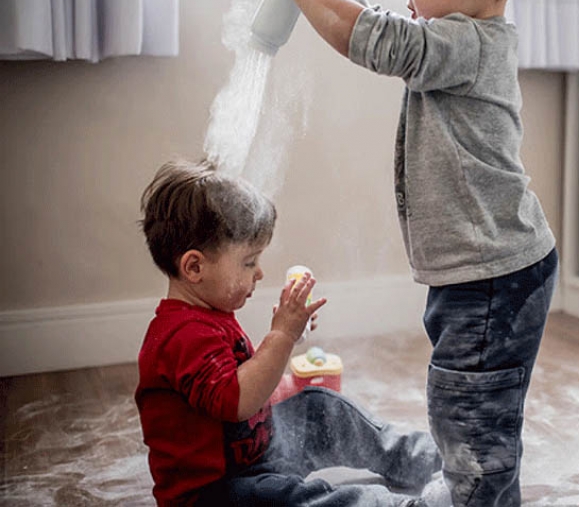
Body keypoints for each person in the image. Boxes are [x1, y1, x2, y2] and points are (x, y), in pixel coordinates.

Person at [272, 0, 558, 505]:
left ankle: (476, 497)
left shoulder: (468, 43)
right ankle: (475, 490)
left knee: (471, 419)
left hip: (492, 278)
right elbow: (384, 32)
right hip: (485, 273)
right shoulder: (458, 42)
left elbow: (383, 42)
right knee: (469, 414)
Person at [135, 159, 442, 507]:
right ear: (194, 267)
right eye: (249, 262)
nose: (260, 272)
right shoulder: (181, 336)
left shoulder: (208, 316)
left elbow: (241, 386)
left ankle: (425, 457)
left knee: (318, 408)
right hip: (216, 494)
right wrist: (280, 337)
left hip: (256, 454)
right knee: (294, 499)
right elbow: (236, 401)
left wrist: (288, 355)